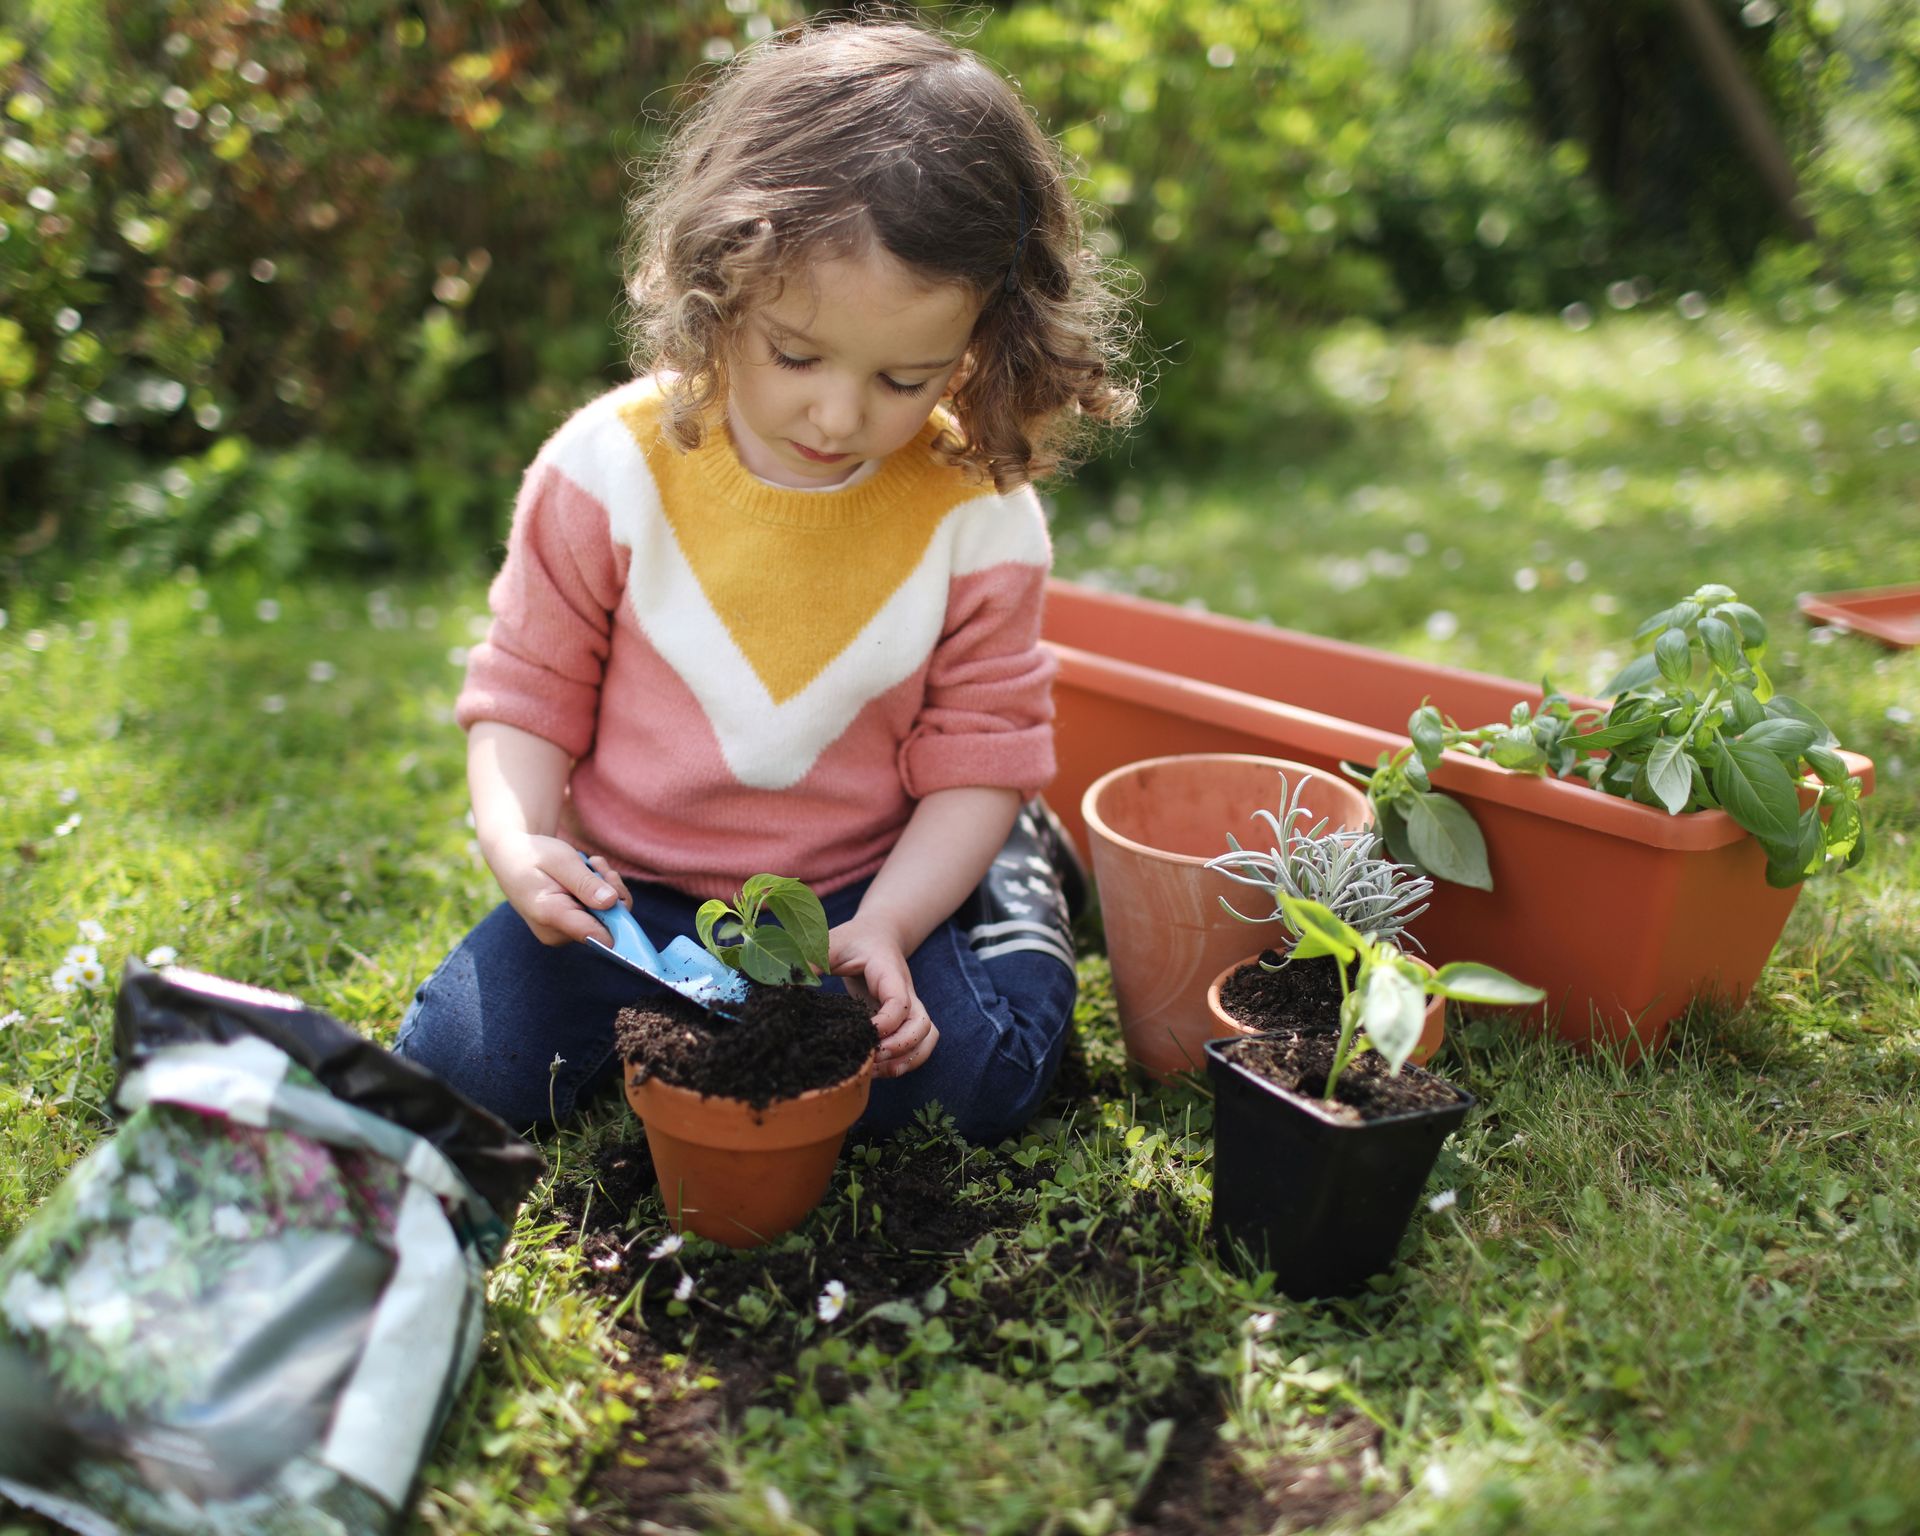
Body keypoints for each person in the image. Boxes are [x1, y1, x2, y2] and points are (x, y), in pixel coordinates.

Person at [395, 18, 1136, 1141]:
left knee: (970, 1089)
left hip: (861, 890)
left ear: (988, 338)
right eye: (796, 354)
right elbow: (524, 693)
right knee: (459, 1074)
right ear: (719, 286)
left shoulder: (978, 512)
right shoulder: (609, 470)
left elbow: (979, 748)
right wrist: (516, 838)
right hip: (628, 900)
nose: (839, 417)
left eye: (906, 376)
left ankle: (1009, 883)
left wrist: (890, 924)